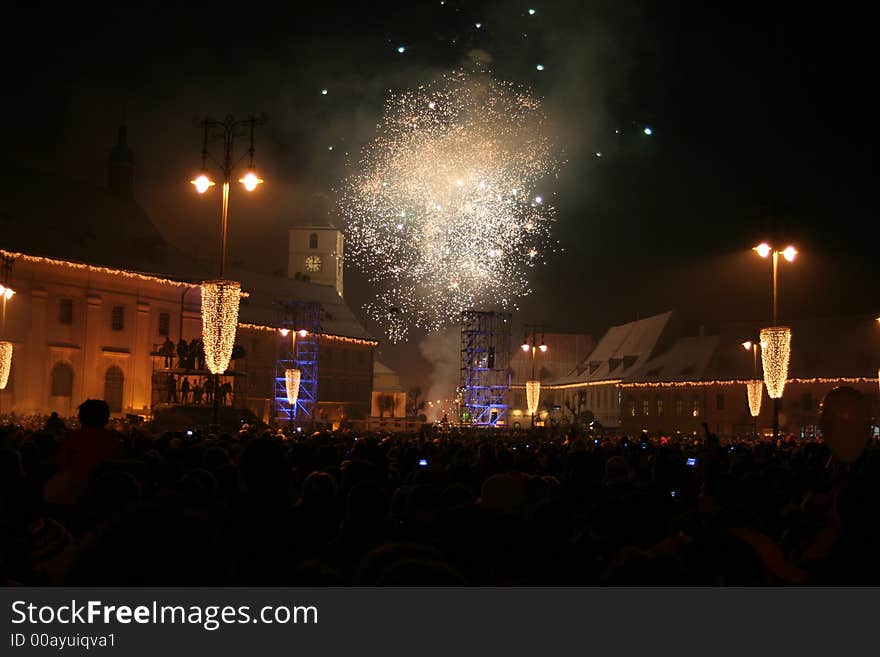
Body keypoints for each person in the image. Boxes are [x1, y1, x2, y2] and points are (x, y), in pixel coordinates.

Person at [55, 399, 121, 498]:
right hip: (106, 494)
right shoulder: (113, 441)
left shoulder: (72, 439)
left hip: (74, 493)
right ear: (106, 419)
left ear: (80, 418)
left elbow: (61, 464)